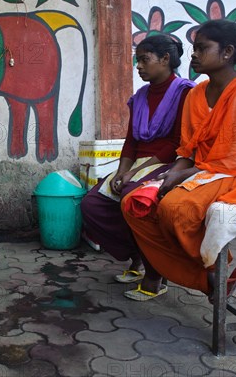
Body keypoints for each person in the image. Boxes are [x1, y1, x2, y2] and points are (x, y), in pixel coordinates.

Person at [121, 20, 236, 301]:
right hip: (202, 172)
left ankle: (210, 276)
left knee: (176, 209)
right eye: (194, 48)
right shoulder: (196, 94)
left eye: (201, 48)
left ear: (227, 52)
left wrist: (183, 176)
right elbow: (187, 149)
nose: (193, 54)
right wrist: (172, 173)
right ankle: (211, 282)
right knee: (135, 204)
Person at [80, 35, 195, 283]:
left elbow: (177, 144)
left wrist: (132, 174)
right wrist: (122, 171)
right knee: (92, 204)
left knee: (131, 198)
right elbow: (131, 141)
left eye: (144, 60)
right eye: (137, 60)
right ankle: (138, 256)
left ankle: (155, 270)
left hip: (169, 164)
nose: (139, 66)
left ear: (165, 59)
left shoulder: (186, 93)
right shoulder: (140, 97)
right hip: (137, 164)